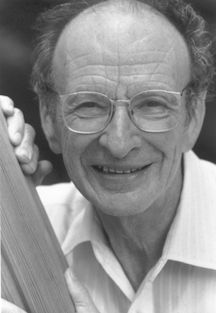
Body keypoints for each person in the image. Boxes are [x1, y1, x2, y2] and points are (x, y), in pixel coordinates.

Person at [1, 0, 216, 312]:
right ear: (48, 118)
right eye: (88, 105)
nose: (118, 142)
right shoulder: (14, 236)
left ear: (193, 116)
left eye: (152, 104)